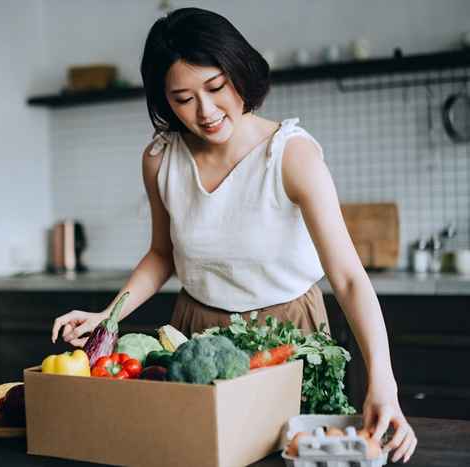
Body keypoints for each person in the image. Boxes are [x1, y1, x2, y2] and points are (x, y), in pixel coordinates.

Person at [51, 7, 416, 463]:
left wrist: (384, 381)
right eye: (183, 98)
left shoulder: (292, 156)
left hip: (288, 335)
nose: (204, 112)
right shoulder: (160, 159)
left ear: (238, 70)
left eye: (215, 88)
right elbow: (162, 254)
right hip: (195, 336)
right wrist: (108, 315)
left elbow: (347, 278)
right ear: (165, 100)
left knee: (291, 455)